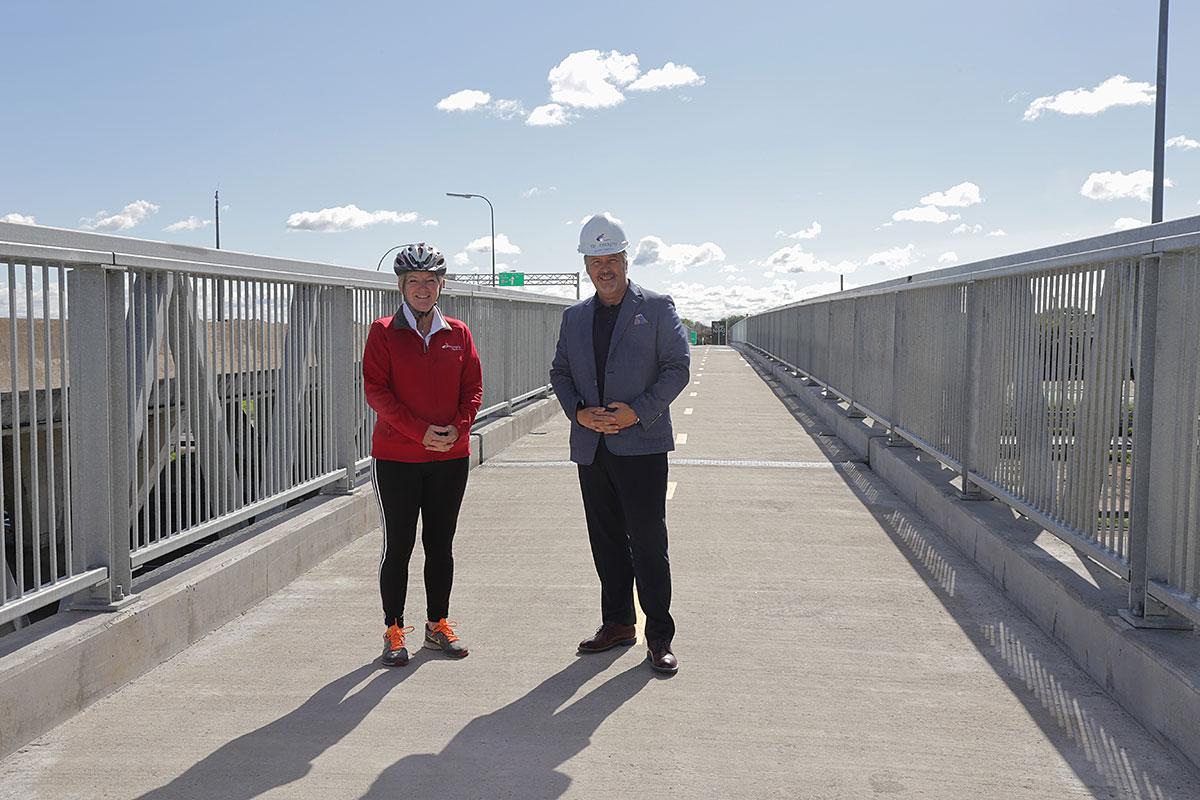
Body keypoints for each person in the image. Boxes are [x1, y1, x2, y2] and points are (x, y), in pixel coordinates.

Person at [549, 214, 691, 674]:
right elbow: (560, 373)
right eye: (596, 260)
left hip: (642, 446)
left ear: (626, 260)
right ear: (586, 265)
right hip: (593, 448)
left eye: (612, 258)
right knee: (605, 540)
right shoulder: (574, 318)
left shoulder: (657, 307)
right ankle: (618, 624)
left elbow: (676, 367)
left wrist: (639, 410)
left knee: (648, 541)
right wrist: (577, 412)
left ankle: (659, 636)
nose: (604, 268)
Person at [362, 242, 483, 667]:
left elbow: (473, 390)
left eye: (430, 281)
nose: (422, 288)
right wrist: (419, 433)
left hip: (450, 456)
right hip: (396, 459)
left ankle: (437, 625)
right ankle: (393, 630)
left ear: (441, 285)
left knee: (440, 544)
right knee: (398, 545)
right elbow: (376, 391)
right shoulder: (382, 332)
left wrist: (457, 429)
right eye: (414, 281)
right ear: (401, 286)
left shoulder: (459, 333)